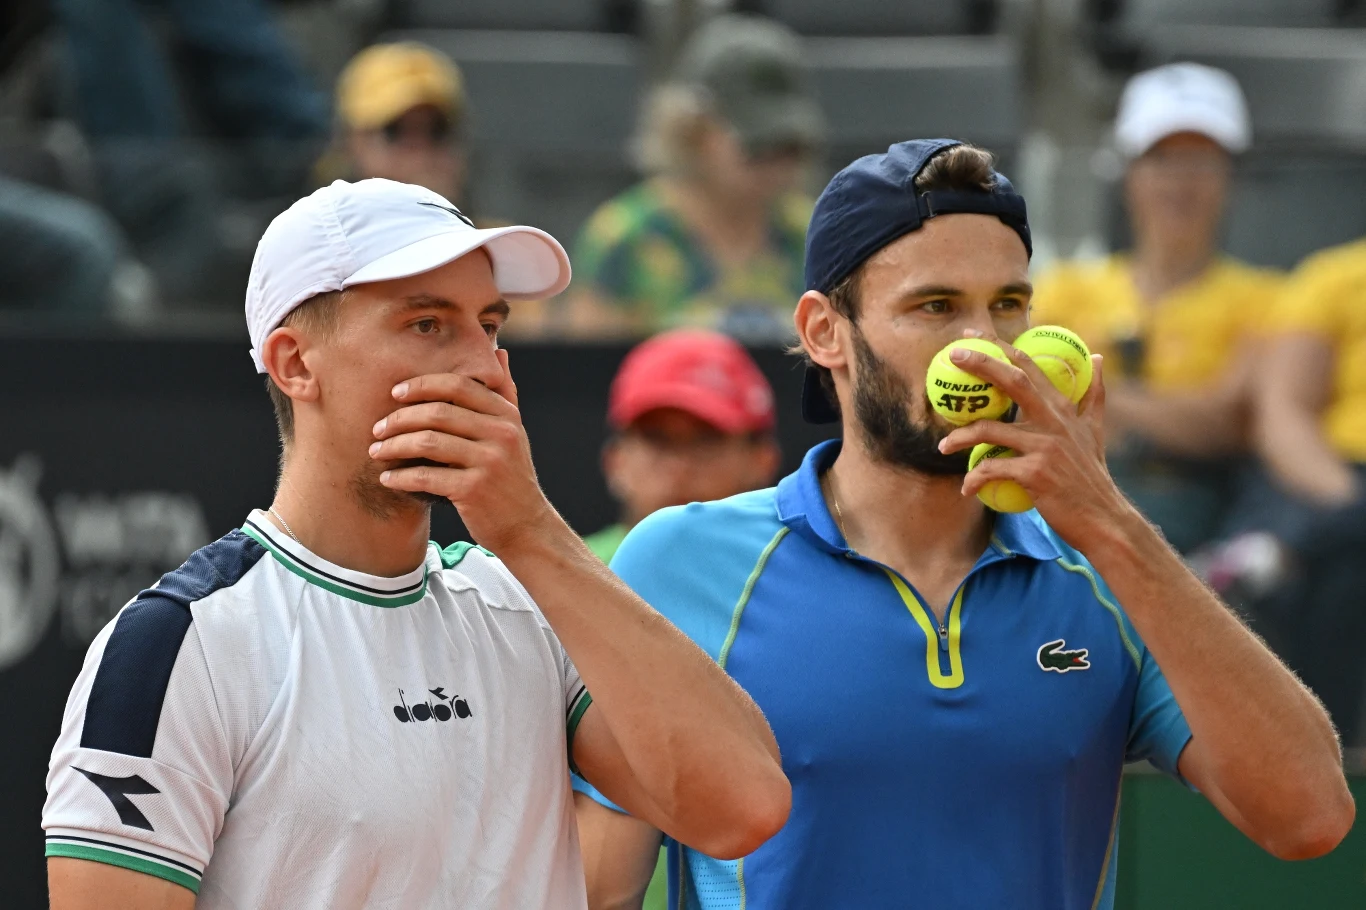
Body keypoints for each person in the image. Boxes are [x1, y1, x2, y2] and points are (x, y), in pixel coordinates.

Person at [573, 140, 1353, 909]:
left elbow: (1310, 816)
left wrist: (1113, 525)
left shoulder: (1109, 570)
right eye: (936, 306)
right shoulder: (679, 561)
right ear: (824, 332)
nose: (984, 346)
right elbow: (601, 890)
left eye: (1008, 305)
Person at [42, 177, 790, 909]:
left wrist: (529, 530)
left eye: (489, 326)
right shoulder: (178, 647)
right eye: (428, 325)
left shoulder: (525, 604)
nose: (481, 366)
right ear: (295, 364)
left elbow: (744, 810)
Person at [1031, 63, 1281, 553]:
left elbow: (1227, 421)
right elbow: (1025, 399)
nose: (1181, 181)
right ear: (1128, 173)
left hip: (1207, 522)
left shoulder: (1268, 299)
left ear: (1230, 176)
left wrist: (1088, 392)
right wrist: (1171, 414)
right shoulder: (1062, 287)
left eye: (1202, 160)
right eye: (1161, 158)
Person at [561, 13, 824, 342]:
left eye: (788, 145)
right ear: (693, 132)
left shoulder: (814, 238)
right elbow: (585, 364)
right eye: (757, 142)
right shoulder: (625, 239)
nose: (774, 161)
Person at [1197, 237, 1366, 744]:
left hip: (1332, 520)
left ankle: (1266, 553)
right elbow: (1284, 414)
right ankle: (1329, 755)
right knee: (1343, 574)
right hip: (1342, 478)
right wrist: (1350, 502)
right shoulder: (1336, 278)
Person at [583, 329, 782, 564]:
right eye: (656, 439)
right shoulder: (560, 577)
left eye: (707, 440)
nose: (679, 466)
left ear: (762, 461)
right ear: (615, 461)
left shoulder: (794, 576)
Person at [330, 42, 470, 209]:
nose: (419, 157)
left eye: (438, 131)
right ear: (350, 142)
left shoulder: (493, 227)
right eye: (393, 131)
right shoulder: (306, 224)